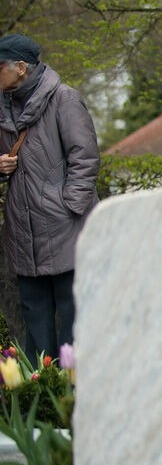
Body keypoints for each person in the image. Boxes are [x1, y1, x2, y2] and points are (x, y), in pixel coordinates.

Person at [0, 34, 100, 366]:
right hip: (24, 233)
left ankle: (75, 403)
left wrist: (66, 207)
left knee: (74, 326)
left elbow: (85, 159)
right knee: (36, 330)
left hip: (66, 231)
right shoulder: (2, 105)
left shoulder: (65, 99)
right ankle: (41, 407)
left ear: (21, 67)